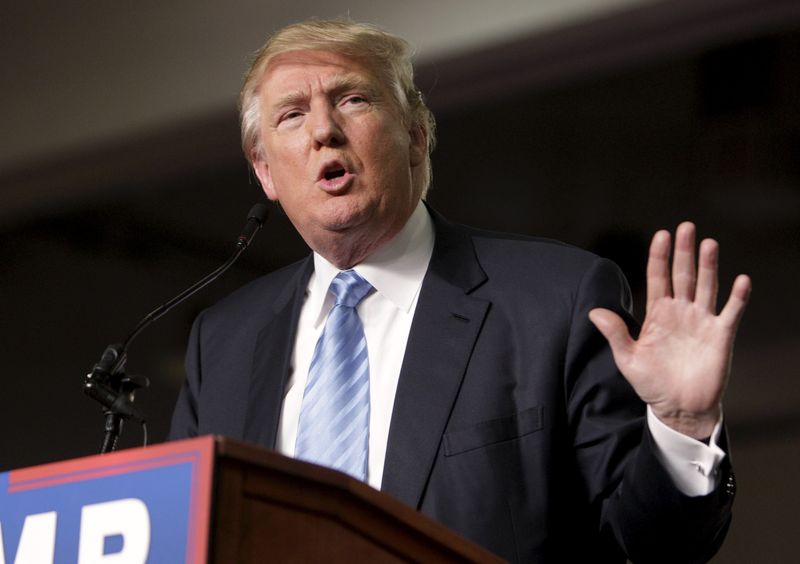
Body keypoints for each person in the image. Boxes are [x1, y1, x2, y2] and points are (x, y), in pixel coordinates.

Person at [169, 19, 751, 563]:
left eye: (352, 99)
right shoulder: (221, 342)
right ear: (265, 170)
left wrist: (680, 427)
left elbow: (650, 545)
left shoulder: (556, 300)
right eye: (292, 115)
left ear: (417, 137)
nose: (324, 130)